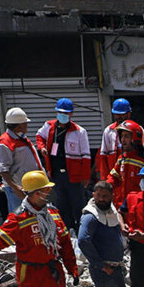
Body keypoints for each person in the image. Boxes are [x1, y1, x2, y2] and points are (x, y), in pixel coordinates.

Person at [77, 181, 127, 287]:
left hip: (117, 266)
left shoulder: (111, 210)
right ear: (93, 195)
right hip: (104, 269)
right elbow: (83, 240)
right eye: (98, 195)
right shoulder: (90, 216)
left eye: (105, 196)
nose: (101, 199)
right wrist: (99, 264)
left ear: (111, 196)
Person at [35, 98, 91, 231]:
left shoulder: (79, 131)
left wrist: (86, 176)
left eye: (66, 113)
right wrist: (42, 147)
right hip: (55, 174)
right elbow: (39, 136)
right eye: (60, 112)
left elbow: (86, 156)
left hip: (74, 176)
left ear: (71, 114)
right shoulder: (48, 126)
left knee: (78, 206)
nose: (63, 115)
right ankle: (65, 232)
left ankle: (81, 232)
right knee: (60, 206)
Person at [0, 107, 45, 213]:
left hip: (32, 188)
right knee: (21, 219)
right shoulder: (4, 143)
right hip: (20, 190)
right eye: (25, 123)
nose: (27, 125)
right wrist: (16, 188)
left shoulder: (21, 138)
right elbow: (3, 170)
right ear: (19, 125)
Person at [98, 98, 144, 178]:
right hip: (114, 176)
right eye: (117, 114)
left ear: (129, 114)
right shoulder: (108, 131)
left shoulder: (139, 129)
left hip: (133, 175)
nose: (119, 117)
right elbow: (103, 157)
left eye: (122, 114)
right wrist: (104, 179)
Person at [106, 121, 144, 202]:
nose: (123, 139)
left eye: (126, 136)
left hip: (138, 204)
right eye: (122, 136)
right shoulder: (122, 158)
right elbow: (113, 176)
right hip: (121, 203)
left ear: (135, 138)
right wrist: (105, 186)